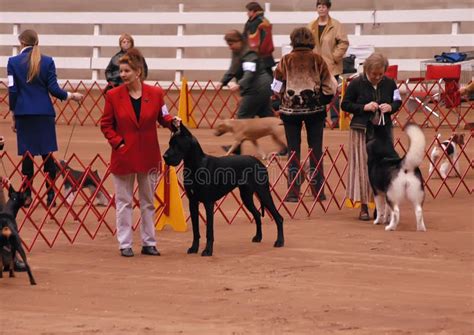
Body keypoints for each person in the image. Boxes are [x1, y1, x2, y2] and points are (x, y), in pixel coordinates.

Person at [100, 48, 180, 257]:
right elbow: (106, 125)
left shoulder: (155, 94)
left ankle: (149, 242)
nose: (122, 75)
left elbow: (163, 117)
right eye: (121, 71)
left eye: (126, 71)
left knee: (148, 202)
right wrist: (119, 144)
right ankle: (125, 244)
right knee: (124, 202)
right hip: (124, 156)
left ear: (138, 72)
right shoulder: (112, 95)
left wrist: (173, 122)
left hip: (149, 155)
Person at [7, 29, 83, 208]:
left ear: (21, 43)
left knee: (27, 156)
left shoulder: (13, 62)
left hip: (24, 114)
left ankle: (26, 195)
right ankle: (50, 195)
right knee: (47, 155)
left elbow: (13, 91)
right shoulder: (48, 61)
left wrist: (13, 114)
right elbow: (54, 89)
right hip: (44, 113)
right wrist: (71, 95)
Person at [272, 27, 337, 203]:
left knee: (293, 151)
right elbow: (330, 85)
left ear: (293, 40)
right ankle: (318, 191)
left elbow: (276, 84)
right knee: (315, 149)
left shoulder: (285, 60)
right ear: (311, 41)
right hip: (315, 112)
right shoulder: (318, 60)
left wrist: (278, 100)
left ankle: (293, 192)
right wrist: (323, 99)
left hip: (290, 112)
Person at [341, 52, 402, 221]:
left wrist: (390, 107)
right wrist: (364, 107)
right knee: (362, 168)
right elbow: (345, 104)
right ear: (366, 70)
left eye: (380, 74)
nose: (377, 77)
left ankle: (381, 208)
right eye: (373, 74)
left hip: (384, 130)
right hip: (361, 130)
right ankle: (364, 207)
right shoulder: (356, 83)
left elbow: (398, 101)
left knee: (384, 169)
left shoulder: (390, 83)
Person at [217, 29, 274, 155]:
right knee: (269, 118)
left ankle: (236, 149)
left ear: (239, 41)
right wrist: (223, 82)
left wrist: (239, 84)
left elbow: (249, 73)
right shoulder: (237, 52)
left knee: (242, 118)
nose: (230, 47)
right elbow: (233, 69)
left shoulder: (249, 54)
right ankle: (287, 142)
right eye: (228, 44)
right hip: (261, 88)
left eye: (231, 44)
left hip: (257, 88)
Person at [308, 0, 349, 128]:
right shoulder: (310, 26)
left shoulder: (336, 25)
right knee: (316, 92)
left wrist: (334, 57)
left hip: (332, 66)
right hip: (315, 66)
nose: (321, 9)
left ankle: (335, 118)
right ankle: (320, 118)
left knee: (333, 92)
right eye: (319, 6)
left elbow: (343, 43)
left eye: (324, 6)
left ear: (328, 8)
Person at [243, 2, 275, 76]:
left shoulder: (255, 22)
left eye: (248, 11)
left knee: (251, 76)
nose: (247, 13)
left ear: (253, 11)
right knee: (268, 75)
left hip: (257, 55)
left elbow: (250, 39)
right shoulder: (264, 20)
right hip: (266, 54)